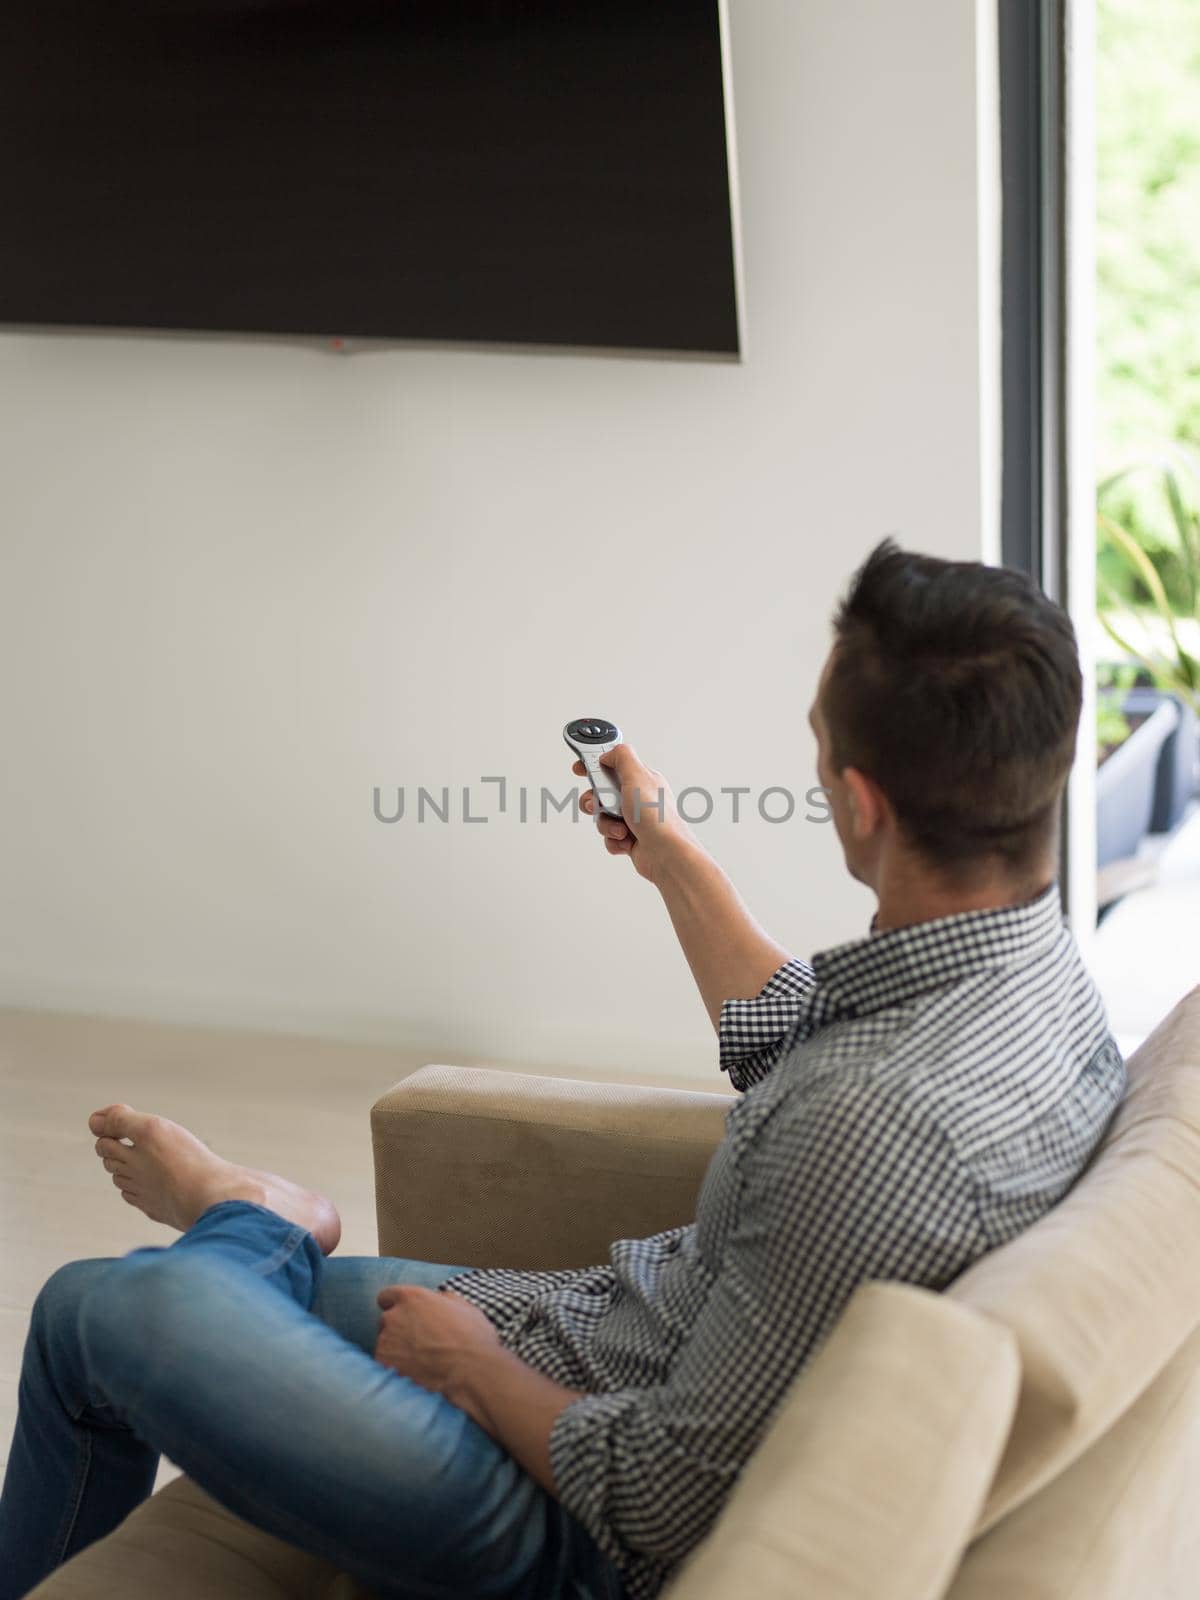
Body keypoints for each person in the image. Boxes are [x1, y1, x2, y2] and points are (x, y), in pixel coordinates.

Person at [0, 541, 1125, 1600]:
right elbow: (808, 1036)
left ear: (864, 799)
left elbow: (665, 1505)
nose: (817, 769)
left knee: (132, 1308)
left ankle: (263, 1219)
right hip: (591, 1336)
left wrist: (476, 1368)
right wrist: (671, 859)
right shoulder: (1029, 975)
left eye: (821, 746)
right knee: (72, 1308)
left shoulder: (877, 1128)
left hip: (558, 1515)